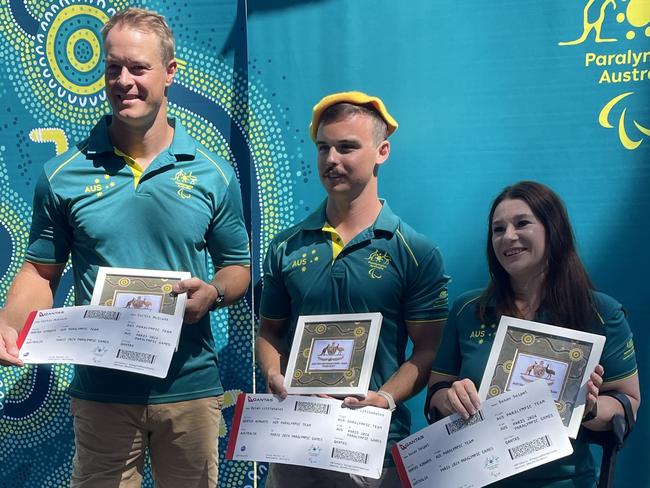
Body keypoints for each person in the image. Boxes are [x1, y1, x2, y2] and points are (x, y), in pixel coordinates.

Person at [0, 8, 250, 488]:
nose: (123, 81)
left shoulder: (212, 173)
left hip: (190, 389)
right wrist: (10, 326)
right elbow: (39, 271)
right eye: (113, 68)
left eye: (138, 67)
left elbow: (236, 268)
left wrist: (213, 294)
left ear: (170, 73)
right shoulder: (63, 175)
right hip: (102, 395)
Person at [256, 91, 450, 487]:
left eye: (347, 147)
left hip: (372, 445)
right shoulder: (285, 246)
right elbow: (269, 333)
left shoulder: (415, 250)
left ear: (382, 151)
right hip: (295, 441)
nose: (331, 160)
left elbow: (429, 349)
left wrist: (385, 399)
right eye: (323, 147)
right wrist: (275, 375)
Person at [428, 181, 640, 488]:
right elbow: (436, 394)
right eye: (498, 229)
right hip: (473, 477)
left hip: (563, 481)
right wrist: (450, 398)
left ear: (553, 230)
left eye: (522, 223)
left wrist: (588, 407)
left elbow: (627, 401)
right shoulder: (468, 309)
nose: (508, 237)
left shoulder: (602, 313)